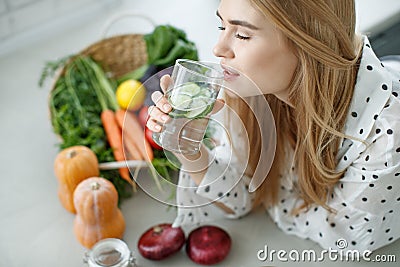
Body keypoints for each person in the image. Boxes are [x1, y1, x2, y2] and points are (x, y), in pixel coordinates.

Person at [146, 0, 400, 253]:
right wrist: (188, 148)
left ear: (310, 42)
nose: (218, 49)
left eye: (243, 35)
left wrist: (268, 196)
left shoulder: (387, 138)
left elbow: (347, 239)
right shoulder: (250, 89)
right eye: (221, 26)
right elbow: (242, 197)